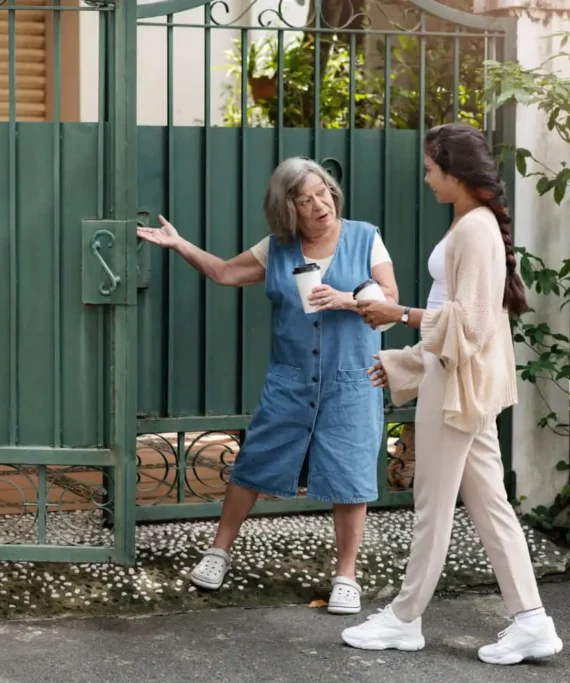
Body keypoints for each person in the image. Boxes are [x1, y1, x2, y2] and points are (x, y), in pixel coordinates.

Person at [340, 123, 563, 665]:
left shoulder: (475, 230)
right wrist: (409, 361)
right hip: (458, 381)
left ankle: (404, 618)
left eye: (431, 169)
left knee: (432, 507)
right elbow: (461, 322)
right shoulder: (472, 225)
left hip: (457, 386)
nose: (426, 178)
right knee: (490, 507)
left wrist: (400, 316)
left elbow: (473, 325)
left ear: (455, 171)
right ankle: (532, 620)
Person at [137, 157, 399, 616]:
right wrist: (179, 245)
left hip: (350, 378)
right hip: (291, 379)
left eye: (323, 193)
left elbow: (390, 299)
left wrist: (346, 299)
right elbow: (224, 273)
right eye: (306, 199)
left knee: (351, 477)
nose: (321, 204)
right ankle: (218, 553)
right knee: (253, 463)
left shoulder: (364, 236)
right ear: (288, 209)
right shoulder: (278, 248)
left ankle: (346, 577)